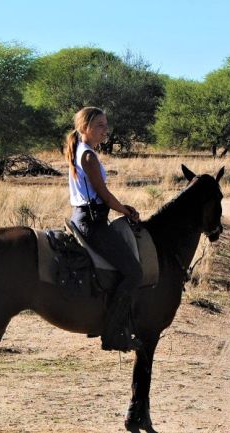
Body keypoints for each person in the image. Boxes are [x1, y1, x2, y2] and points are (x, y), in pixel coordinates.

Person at [65, 106, 142, 352]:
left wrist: (120, 207)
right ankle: (113, 333)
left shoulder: (81, 150)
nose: (105, 131)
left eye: (106, 125)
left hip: (85, 217)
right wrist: (126, 210)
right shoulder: (88, 156)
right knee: (134, 273)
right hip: (92, 222)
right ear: (84, 127)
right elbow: (104, 195)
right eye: (99, 125)